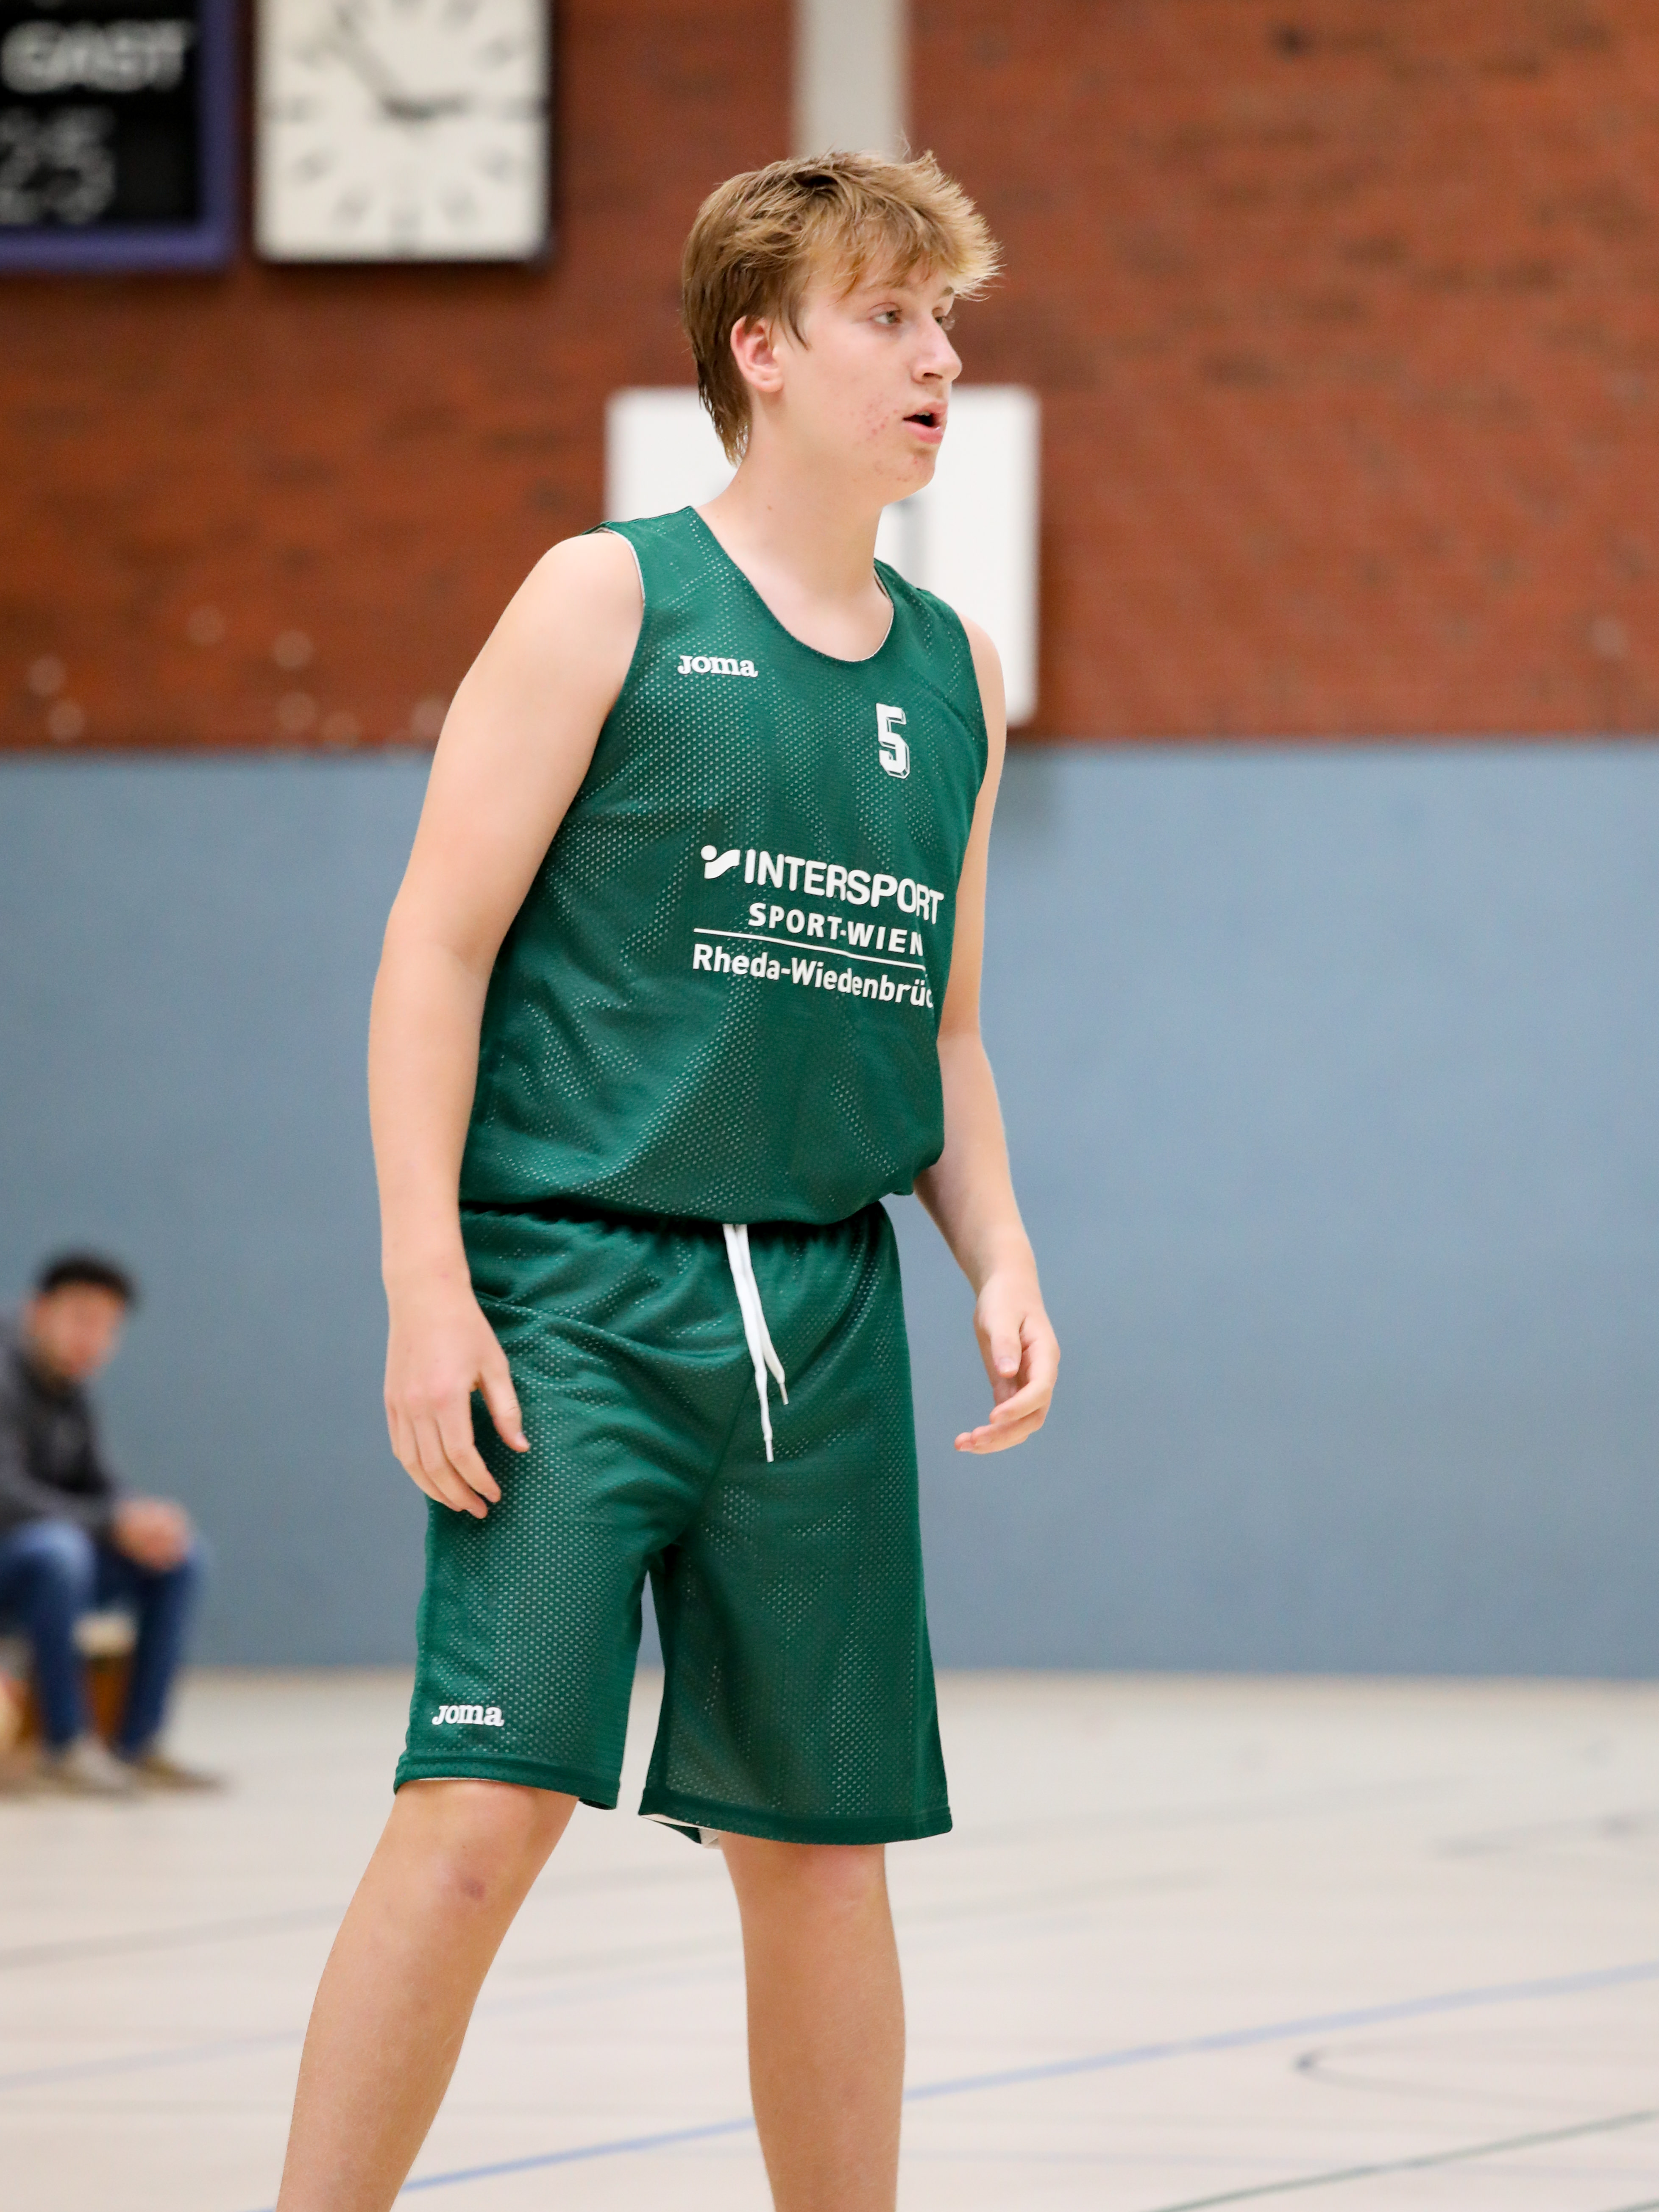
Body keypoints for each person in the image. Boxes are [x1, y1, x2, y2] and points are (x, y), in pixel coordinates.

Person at [276, 149, 1059, 2212]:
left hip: (820, 1313)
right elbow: (434, 945)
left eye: (944, 318)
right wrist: (424, 1279)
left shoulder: (953, 674)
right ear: (761, 348)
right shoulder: (604, 597)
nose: (937, 355)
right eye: (888, 315)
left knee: (822, 1854)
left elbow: (944, 1031)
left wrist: (996, 1248)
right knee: (477, 1811)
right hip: (572, 1294)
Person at [0, 1252, 214, 1793]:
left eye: (107, 1327)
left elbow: (101, 1484)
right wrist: (109, 1521)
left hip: (45, 1562)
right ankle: (64, 1746)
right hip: (25, 1560)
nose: (92, 1339)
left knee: (179, 1556)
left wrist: (140, 1518)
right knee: (59, 1550)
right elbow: (6, 1494)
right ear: (38, 1311)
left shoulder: (68, 1387)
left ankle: (136, 1743)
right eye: (81, 1319)